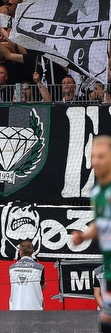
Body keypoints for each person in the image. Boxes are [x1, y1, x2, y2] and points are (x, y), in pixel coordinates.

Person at [73, 135, 111, 331]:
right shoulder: (97, 193)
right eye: (93, 156)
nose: (95, 161)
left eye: (101, 156)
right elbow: (101, 222)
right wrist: (84, 236)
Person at [8, 240, 45, 310]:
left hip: (16, 308)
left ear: (21, 252)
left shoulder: (12, 268)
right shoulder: (40, 268)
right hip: (34, 308)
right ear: (32, 251)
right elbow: (42, 286)